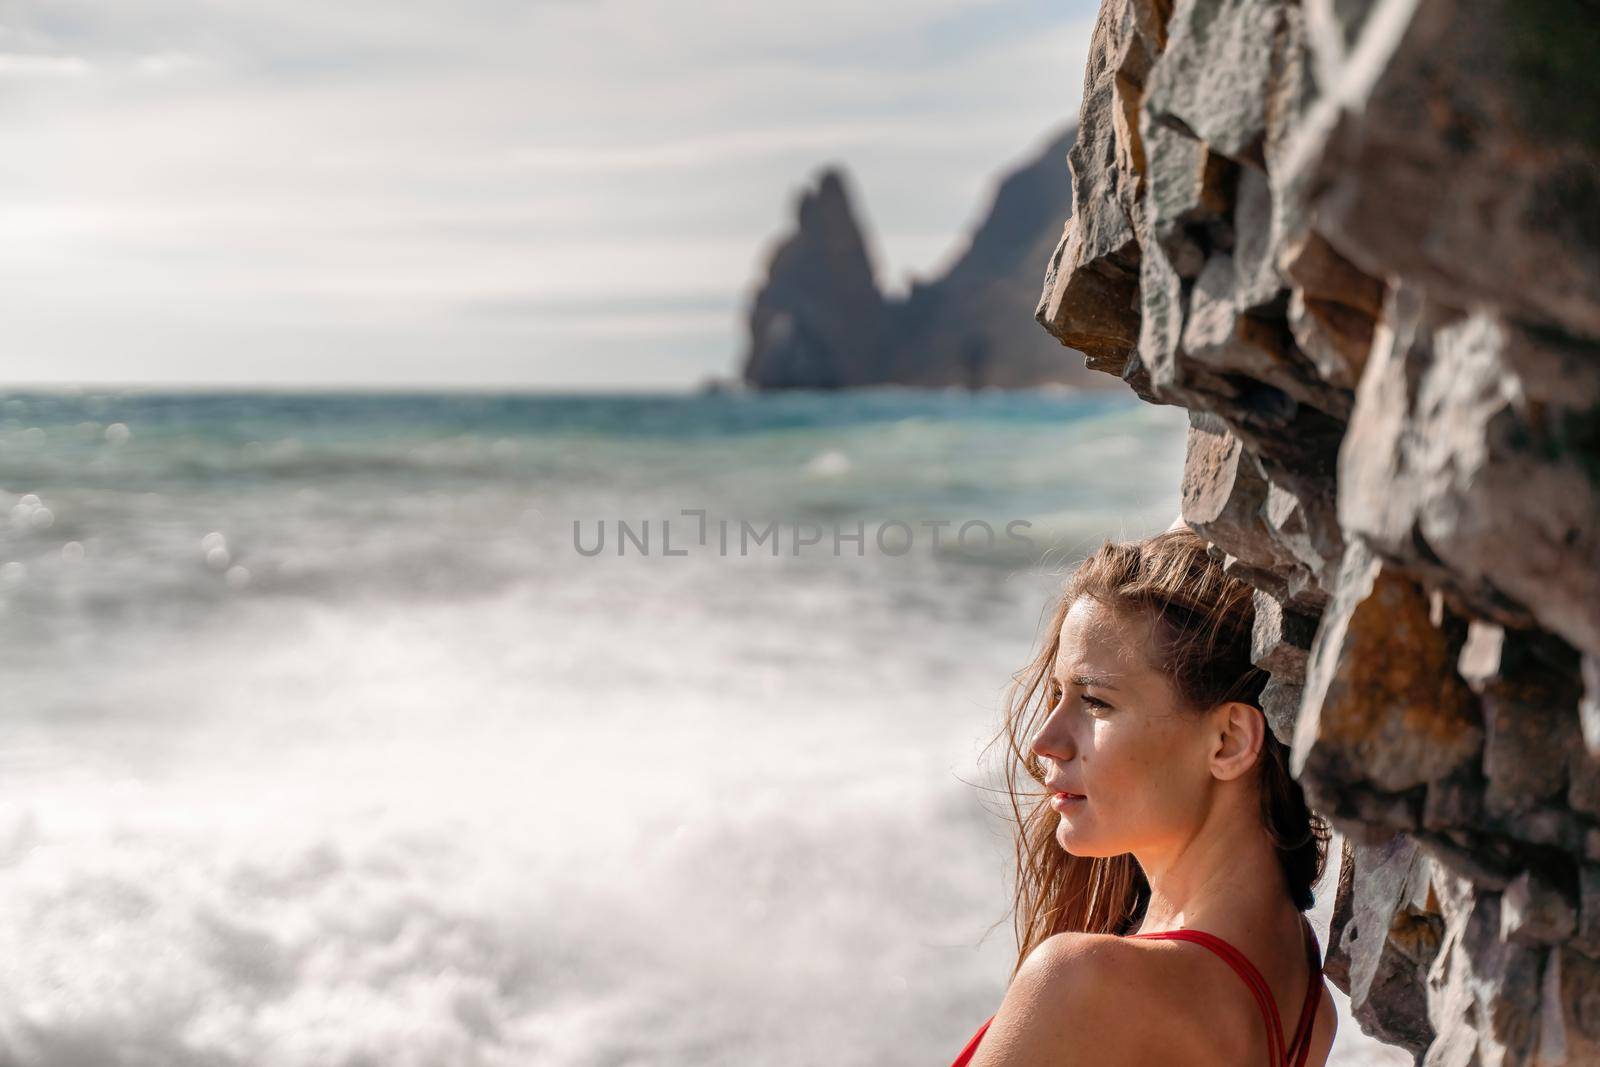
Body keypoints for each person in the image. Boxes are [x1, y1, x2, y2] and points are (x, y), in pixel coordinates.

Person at [949, 520, 1337, 1066]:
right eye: (1059, 693)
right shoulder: (1303, 988)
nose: (1046, 741)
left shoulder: (1087, 984)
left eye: (1096, 703)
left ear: (1228, 742)